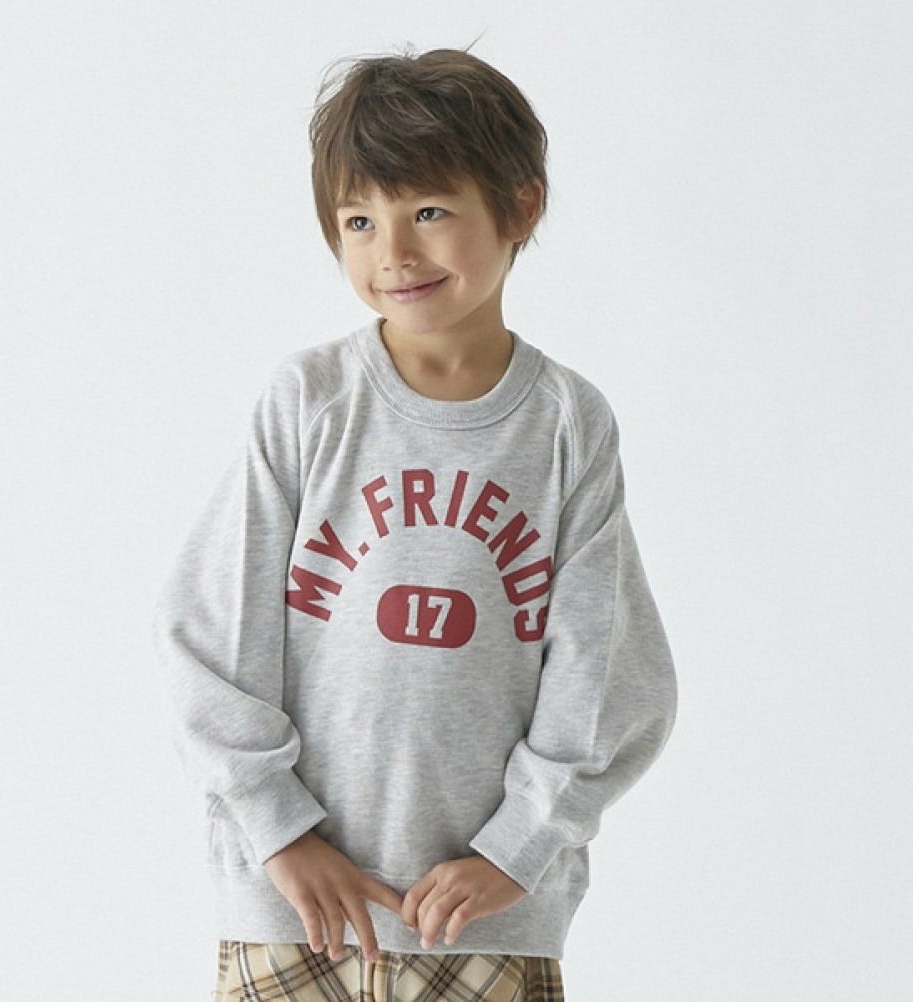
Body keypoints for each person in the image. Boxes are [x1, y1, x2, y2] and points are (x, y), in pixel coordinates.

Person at [151, 43, 678, 1002]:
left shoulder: (566, 424)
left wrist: (517, 849)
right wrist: (280, 831)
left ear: (520, 207)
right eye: (359, 220)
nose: (391, 251)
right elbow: (212, 635)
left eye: (429, 211)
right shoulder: (311, 400)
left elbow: (606, 675)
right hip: (294, 904)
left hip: (482, 915)